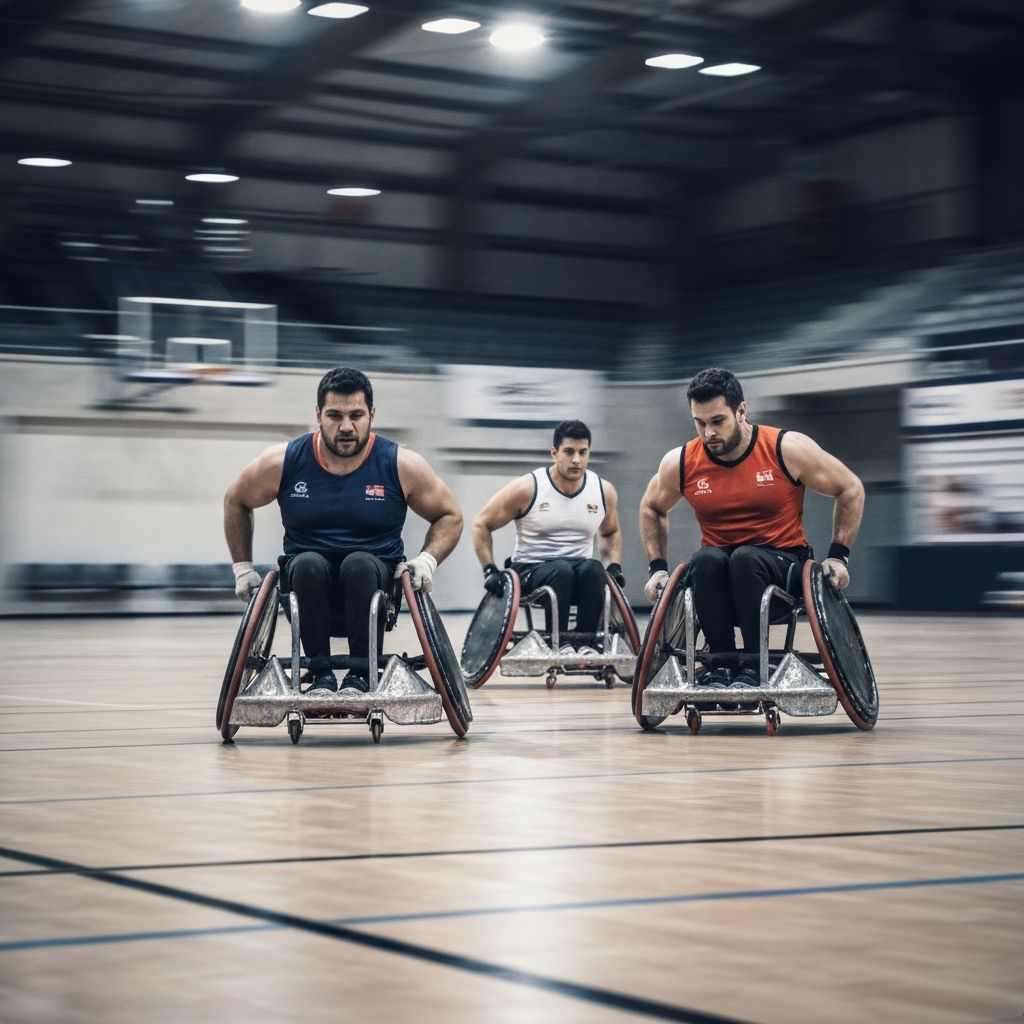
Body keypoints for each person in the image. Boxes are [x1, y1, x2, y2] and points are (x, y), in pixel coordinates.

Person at [223, 366, 463, 693]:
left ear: (372, 415)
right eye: (335, 415)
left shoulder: (401, 464)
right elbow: (236, 499)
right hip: (305, 585)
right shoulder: (283, 461)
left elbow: (449, 515)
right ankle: (319, 674)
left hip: (373, 584)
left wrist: (427, 561)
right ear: (318, 415)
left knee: (359, 564)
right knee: (308, 564)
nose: (346, 426)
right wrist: (242, 568)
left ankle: (361, 674)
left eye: (356, 415)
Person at [638, 367, 864, 687]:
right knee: (704, 560)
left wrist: (839, 556)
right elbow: (651, 506)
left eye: (717, 421)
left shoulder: (786, 448)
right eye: (699, 423)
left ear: (742, 410)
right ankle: (721, 664)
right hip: (719, 580)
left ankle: (754, 665)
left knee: (745, 557)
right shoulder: (682, 462)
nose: (708, 433)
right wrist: (657, 569)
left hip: (782, 569)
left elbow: (850, 487)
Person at [471, 419, 623, 644]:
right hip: (531, 570)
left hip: (579, 571)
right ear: (554, 453)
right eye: (569, 452)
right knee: (561, 571)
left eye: (583, 452)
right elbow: (481, 524)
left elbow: (610, 533)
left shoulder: (603, 491)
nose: (576, 460)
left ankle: (584, 641)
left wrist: (614, 566)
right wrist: (489, 570)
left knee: (594, 569)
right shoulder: (528, 488)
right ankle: (557, 641)